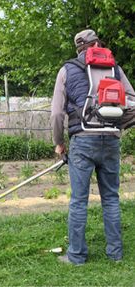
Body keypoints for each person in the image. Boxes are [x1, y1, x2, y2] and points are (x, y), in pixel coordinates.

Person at [50, 29, 135, 265]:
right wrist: (118, 126)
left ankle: (76, 256)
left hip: (82, 140)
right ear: (97, 43)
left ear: (78, 48)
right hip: (110, 140)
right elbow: (133, 103)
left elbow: (57, 113)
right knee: (111, 198)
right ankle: (115, 254)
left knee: (79, 200)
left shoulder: (67, 70)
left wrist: (59, 143)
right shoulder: (115, 69)